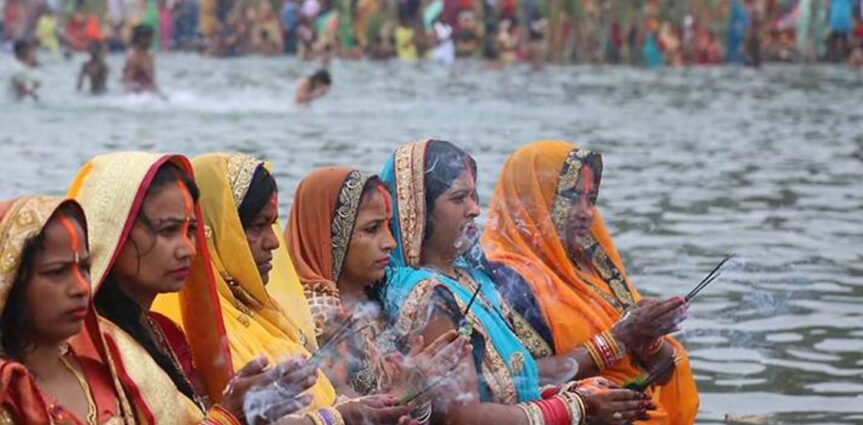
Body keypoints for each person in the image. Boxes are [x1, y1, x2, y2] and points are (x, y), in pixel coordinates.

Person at [379, 139, 663, 424]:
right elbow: (461, 416)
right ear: (417, 210)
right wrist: (575, 407)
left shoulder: (471, 277)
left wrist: (573, 393)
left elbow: (507, 386)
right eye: (458, 198)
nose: (475, 209)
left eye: (474, 196)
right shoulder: (428, 294)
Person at [68, 152, 319, 424]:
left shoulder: (164, 334)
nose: (188, 249)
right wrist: (229, 416)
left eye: (191, 231)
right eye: (167, 231)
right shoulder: (85, 348)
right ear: (112, 231)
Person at [179, 153, 422, 424]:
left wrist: (410, 395)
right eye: (259, 226)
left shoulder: (267, 315)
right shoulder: (194, 330)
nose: (274, 242)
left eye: (273, 224)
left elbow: (330, 403)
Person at [482, 140, 700, 425]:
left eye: (591, 199)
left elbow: (664, 369)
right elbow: (512, 382)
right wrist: (618, 340)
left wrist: (651, 337)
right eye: (571, 198)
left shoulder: (591, 267)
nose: (586, 212)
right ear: (532, 199)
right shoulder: (502, 279)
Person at [284, 167, 472, 412]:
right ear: (329, 235)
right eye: (372, 229)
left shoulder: (370, 299)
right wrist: (407, 391)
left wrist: (418, 383)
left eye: (388, 227)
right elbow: (355, 416)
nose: (390, 243)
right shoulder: (319, 316)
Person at [0, 196, 135, 424]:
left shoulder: (110, 373)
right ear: (10, 281)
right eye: (57, 272)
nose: (82, 288)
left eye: (84, 268)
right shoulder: (8, 390)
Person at [123, 24, 160, 94]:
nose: (151, 40)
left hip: (148, 94)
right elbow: (127, 82)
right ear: (140, 39)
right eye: (149, 37)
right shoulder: (134, 57)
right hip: (138, 95)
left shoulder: (149, 56)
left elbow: (151, 79)